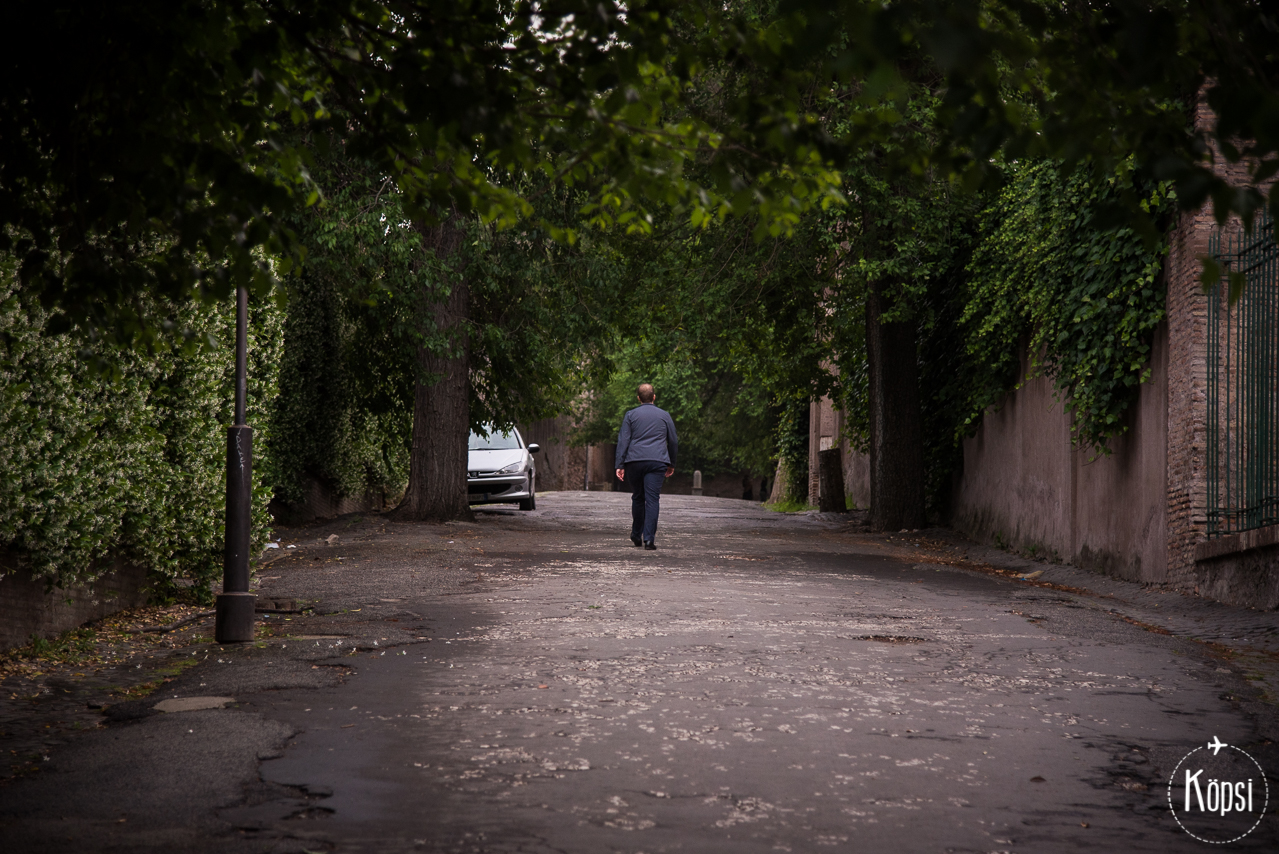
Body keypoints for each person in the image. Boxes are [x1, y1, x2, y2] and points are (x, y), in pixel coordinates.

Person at [614, 382, 678, 549]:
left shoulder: (630, 415)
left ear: (638, 398)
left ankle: (636, 534)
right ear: (654, 397)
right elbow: (673, 441)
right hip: (657, 461)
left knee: (638, 497)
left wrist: (619, 464)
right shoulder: (665, 415)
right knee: (652, 499)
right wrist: (671, 463)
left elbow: (623, 440)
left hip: (634, 461)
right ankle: (649, 539)